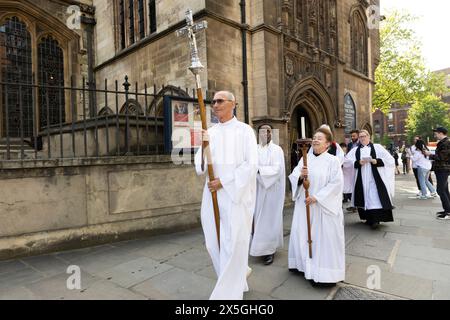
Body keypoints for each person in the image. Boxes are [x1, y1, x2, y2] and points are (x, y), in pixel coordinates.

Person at [194, 90, 258, 299]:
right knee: (213, 243)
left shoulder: (245, 131)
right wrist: (203, 148)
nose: (215, 105)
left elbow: (251, 165)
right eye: (213, 101)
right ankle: (237, 277)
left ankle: (227, 295)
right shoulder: (210, 132)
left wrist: (224, 181)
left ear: (233, 103)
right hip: (211, 194)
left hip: (234, 196)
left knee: (232, 244)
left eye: (220, 101)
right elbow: (200, 167)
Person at [288, 127, 345, 287]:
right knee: (304, 235)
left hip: (322, 208)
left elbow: (336, 184)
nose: (315, 140)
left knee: (323, 239)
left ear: (327, 144)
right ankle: (303, 266)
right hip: (304, 205)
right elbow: (293, 176)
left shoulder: (332, 161)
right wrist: (300, 177)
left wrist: (317, 198)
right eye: (314, 137)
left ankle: (324, 274)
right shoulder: (305, 158)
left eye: (320, 138)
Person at [250, 125, 285, 265]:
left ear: (272, 133)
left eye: (268, 131)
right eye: (262, 131)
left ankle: (269, 250)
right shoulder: (254, 150)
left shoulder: (277, 150)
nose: (265, 133)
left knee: (269, 220)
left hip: (271, 192)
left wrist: (258, 170)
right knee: (257, 219)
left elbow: (277, 170)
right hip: (257, 189)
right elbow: (249, 166)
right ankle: (258, 248)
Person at [346, 130, 395, 229]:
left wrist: (376, 161)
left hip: (375, 179)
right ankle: (368, 218)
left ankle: (375, 220)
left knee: (374, 197)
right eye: (360, 137)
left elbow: (390, 160)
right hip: (361, 179)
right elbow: (347, 162)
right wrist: (358, 162)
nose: (362, 138)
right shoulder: (355, 150)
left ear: (369, 137)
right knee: (365, 197)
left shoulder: (378, 147)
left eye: (364, 136)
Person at [424, 127, 450, 219]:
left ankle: (448, 213)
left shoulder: (446, 142)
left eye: (436, 133)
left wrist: (429, 154)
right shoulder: (443, 142)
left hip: (443, 169)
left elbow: (442, 157)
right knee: (445, 190)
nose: (435, 135)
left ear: (441, 133)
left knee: (441, 190)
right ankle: (448, 210)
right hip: (441, 169)